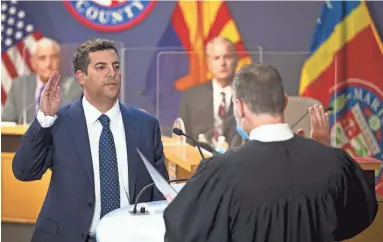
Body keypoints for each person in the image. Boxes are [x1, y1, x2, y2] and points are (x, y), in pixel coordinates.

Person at [163, 63, 377, 242]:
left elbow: (181, 232)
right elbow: (360, 217)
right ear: (285, 101)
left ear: (239, 107)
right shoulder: (334, 164)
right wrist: (322, 152)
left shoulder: (221, 173)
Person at [12, 38, 169, 242]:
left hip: (131, 236)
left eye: (116, 66)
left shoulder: (146, 125)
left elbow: (160, 192)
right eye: (101, 67)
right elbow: (24, 171)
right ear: (81, 77)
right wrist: (44, 118)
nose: (111, 73)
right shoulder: (60, 122)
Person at [178, 37, 242, 149]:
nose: (222, 63)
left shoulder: (247, 95)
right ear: (208, 62)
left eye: (227, 57)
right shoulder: (192, 96)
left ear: (236, 59)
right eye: (217, 58)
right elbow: (184, 138)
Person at [2, 37, 82, 124]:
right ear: (33, 63)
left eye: (53, 57)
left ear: (59, 60)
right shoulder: (19, 86)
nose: (48, 64)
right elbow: (6, 122)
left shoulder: (75, 88)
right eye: (42, 58)